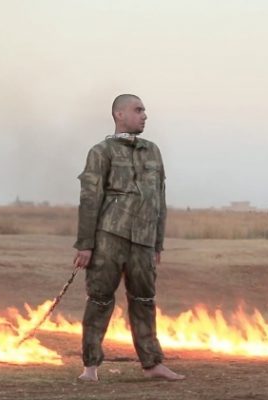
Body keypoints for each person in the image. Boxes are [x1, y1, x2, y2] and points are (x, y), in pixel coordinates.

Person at [73, 94, 184, 381]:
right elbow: (89, 199)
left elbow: (159, 198)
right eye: (138, 110)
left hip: (144, 241)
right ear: (119, 114)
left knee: (144, 300)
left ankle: (153, 364)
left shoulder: (153, 152)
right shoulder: (102, 151)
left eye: (145, 110)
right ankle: (91, 367)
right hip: (110, 237)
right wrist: (85, 244)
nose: (144, 115)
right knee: (99, 300)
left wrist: (157, 242)